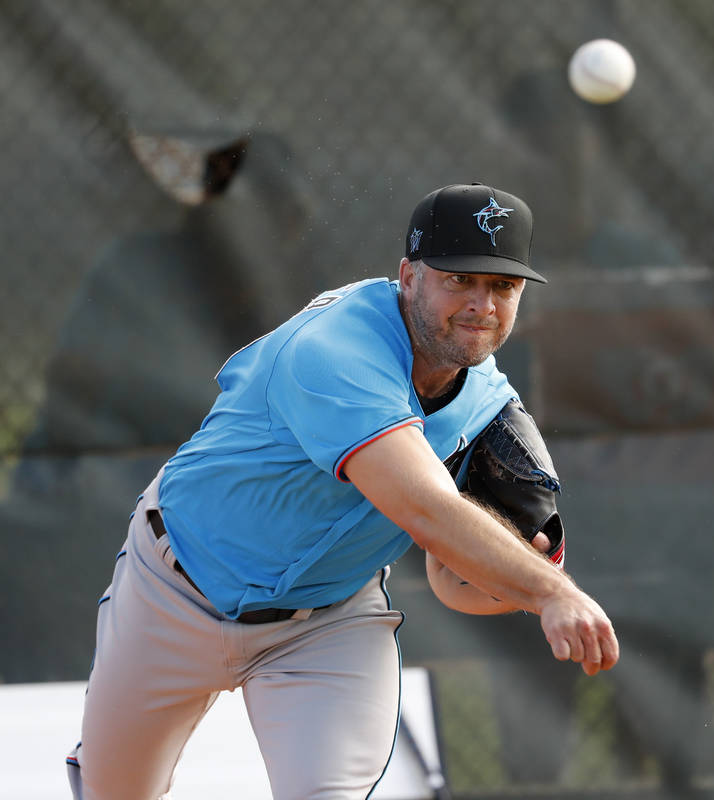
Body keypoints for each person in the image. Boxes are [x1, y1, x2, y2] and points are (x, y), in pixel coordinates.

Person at [65, 182, 620, 800]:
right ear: (409, 276)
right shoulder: (335, 353)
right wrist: (548, 591)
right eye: (459, 279)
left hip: (325, 623)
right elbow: (427, 509)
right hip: (175, 590)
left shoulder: (488, 405)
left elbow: (449, 579)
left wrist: (518, 567)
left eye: (502, 287)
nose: (482, 304)